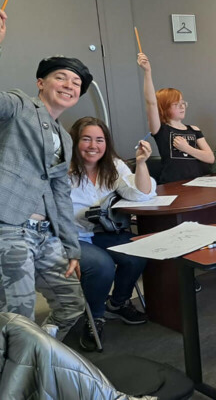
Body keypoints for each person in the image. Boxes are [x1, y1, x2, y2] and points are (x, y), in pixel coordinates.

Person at [0, 8, 85, 341]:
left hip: (47, 235)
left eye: (77, 83)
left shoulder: (66, 138)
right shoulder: (17, 105)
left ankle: (39, 355)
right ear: (41, 83)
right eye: (62, 78)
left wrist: (72, 248)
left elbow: (60, 194)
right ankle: (16, 380)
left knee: (72, 306)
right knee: (18, 321)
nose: (70, 86)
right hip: (7, 226)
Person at [68, 117, 153, 351]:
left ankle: (117, 303)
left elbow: (141, 194)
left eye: (99, 140)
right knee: (101, 266)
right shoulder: (62, 169)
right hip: (73, 236)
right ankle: (94, 316)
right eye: (86, 139)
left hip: (103, 231)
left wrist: (142, 164)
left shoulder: (113, 165)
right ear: (74, 142)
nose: (93, 145)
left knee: (137, 253)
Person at [138, 53, 213, 184]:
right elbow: (151, 103)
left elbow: (210, 157)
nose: (182, 107)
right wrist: (147, 72)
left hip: (199, 182)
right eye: (176, 104)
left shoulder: (194, 129)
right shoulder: (161, 129)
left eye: (183, 103)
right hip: (173, 184)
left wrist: (187, 148)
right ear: (164, 107)